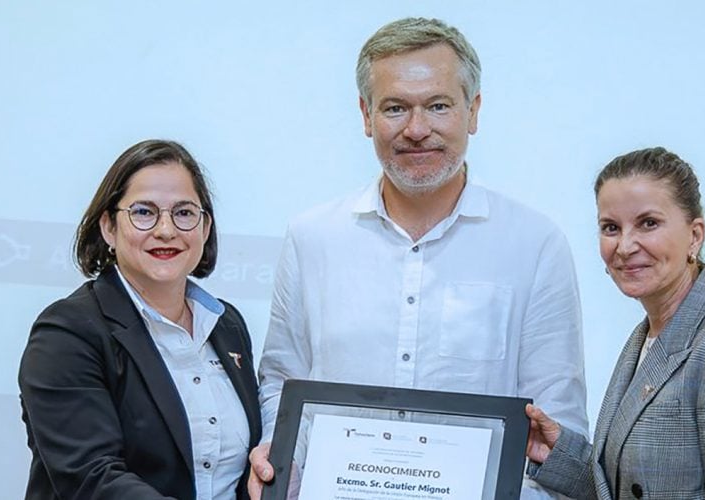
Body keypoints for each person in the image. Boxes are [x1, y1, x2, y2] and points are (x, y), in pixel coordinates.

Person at [249, 17, 588, 499]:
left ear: (473, 111)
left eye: (438, 105)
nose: (416, 128)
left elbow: (558, 423)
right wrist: (273, 453)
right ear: (366, 116)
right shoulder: (311, 238)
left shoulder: (535, 243)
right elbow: (281, 385)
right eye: (394, 108)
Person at [524, 147, 705, 499]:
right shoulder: (648, 333)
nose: (625, 245)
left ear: (695, 235)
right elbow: (638, 486)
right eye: (611, 228)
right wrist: (560, 453)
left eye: (648, 223)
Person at [18, 140, 261, 500]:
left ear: (205, 228)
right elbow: (91, 479)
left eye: (184, 213)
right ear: (108, 227)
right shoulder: (66, 334)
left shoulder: (226, 325)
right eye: (144, 212)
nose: (166, 230)